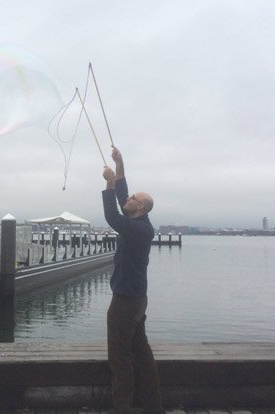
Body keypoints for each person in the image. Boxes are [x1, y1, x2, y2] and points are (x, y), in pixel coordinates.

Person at [102, 146, 164, 414]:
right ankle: (153, 406)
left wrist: (108, 186)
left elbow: (112, 216)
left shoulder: (138, 229)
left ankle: (123, 408)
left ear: (139, 208)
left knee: (120, 358)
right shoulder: (139, 221)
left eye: (133, 198)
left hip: (126, 302)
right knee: (141, 353)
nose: (128, 197)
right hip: (137, 299)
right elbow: (122, 192)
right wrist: (120, 164)